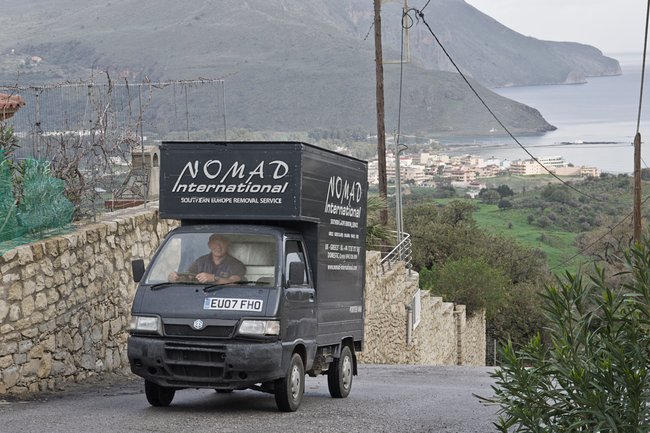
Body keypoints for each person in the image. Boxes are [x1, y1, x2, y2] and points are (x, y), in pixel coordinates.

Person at [169, 234, 246, 284]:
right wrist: (176, 278)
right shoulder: (200, 261)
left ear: (227, 245)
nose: (218, 247)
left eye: (221, 243)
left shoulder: (236, 264)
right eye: (215, 243)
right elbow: (188, 276)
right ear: (209, 245)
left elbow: (234, 283)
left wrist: (214, 278)